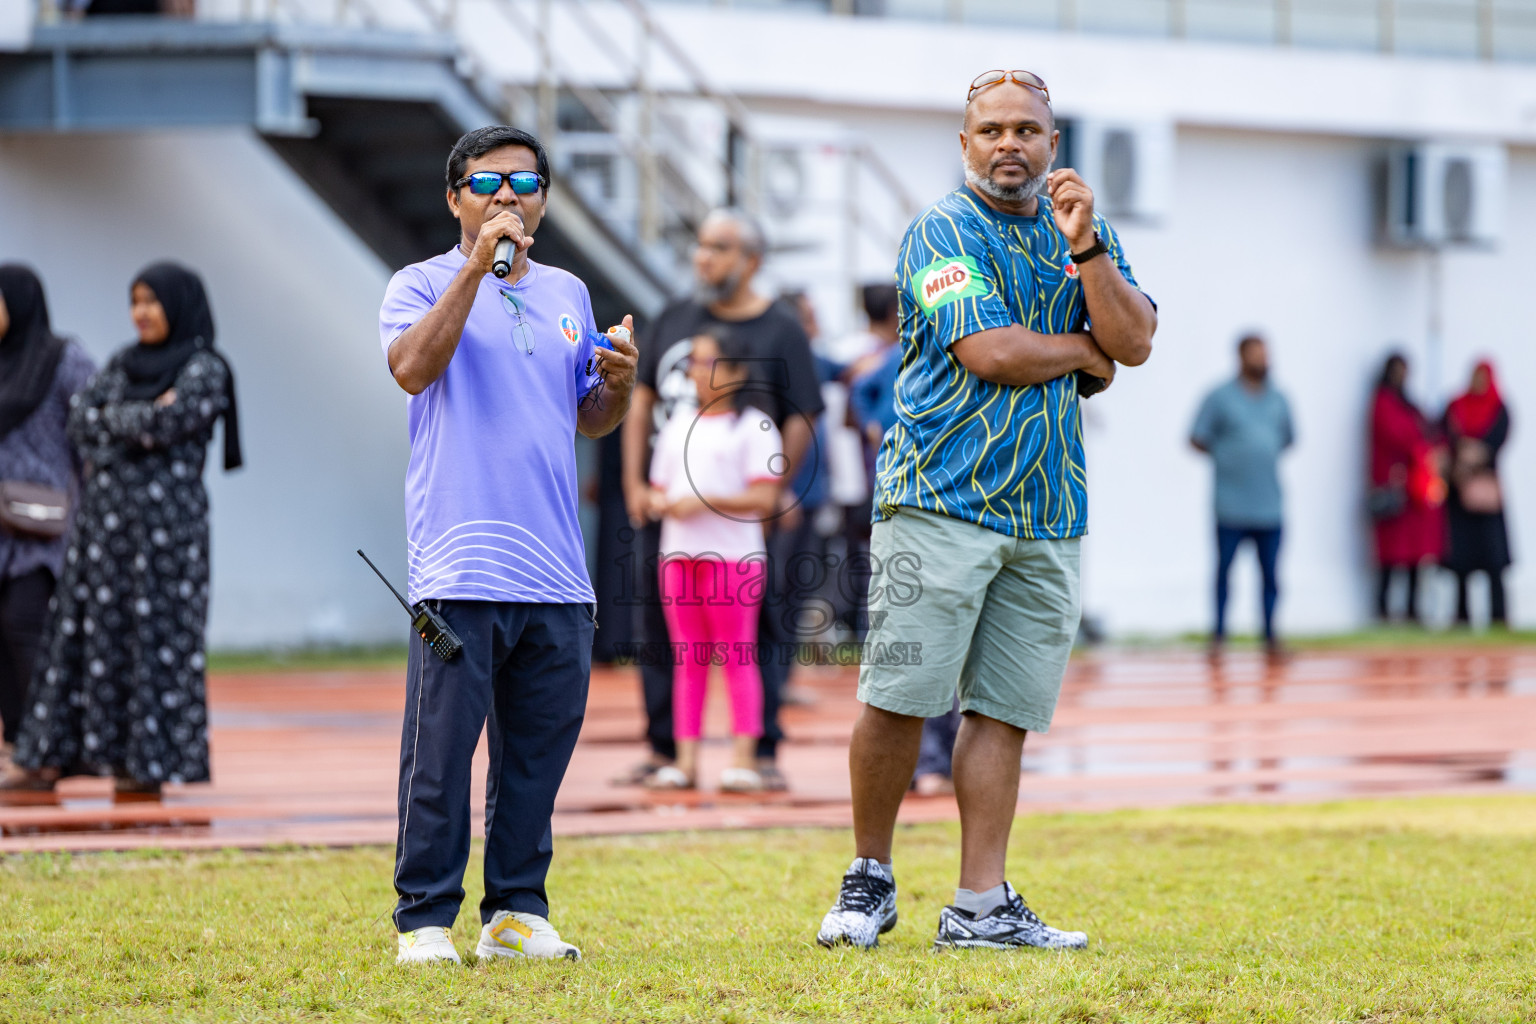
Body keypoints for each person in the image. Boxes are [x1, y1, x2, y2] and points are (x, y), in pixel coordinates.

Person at [816, 68, 1155, 951]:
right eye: (992, 130)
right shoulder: (939, 229)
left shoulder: (1086, 233)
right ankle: (869, 878)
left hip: (1047, 510)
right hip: (938, 500)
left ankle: (980, 905)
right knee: (898, 697)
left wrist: (1088, 256)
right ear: (965, 144)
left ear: (1053, 144)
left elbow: (1139, 342)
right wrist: (1085, 349)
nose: (1011, 144)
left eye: (1027, 131)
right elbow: (992, 350)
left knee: (1003, 709)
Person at [379, 125, 638, 966]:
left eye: (525, 185)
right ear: (455, 196)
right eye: (488, 184)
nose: (508, 199)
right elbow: (413, 370)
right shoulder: (418, 284)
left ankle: (516, 914)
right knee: (442, 755)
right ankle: (424, 919)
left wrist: (619, 386)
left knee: (535, 756)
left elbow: (586, 418)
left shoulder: (569, 291)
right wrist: (474, 270)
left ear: (544, 200)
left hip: (557, 572)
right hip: (459, 566)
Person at [5, 262, 241, 803]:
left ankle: (145, 766)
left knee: (156, 642)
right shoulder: (122, 362)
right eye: (135, 301)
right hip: (102, 535)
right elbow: (81, 420)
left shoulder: (207, 368)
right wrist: (139, 418)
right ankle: (58, 758)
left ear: (179, 305)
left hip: (167, 540)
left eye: (153, 301)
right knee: (87, 640)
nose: (142, 313)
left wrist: (121, 418)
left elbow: (169, 423)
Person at [619, 208, 824, 792]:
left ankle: (757, 750)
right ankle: (668, 751)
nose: (703, 257)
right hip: (672, 509)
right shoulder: (673, 316)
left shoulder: (781, 328)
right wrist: (636, 483)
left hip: (740, 523)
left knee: (755, 637)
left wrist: (774, 486)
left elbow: (803, 412)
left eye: (719, 247)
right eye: (701, 245)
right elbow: (642, 399)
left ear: (751, 260)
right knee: (662, 636)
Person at [644, 328, 783, 791]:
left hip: (733, 558)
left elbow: (765, 496)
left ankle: (744, 757)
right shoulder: (678, 425)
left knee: (738, 655)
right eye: (694, 364)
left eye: (707, 364)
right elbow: (658, 488)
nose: (697, 374)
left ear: (737, 372)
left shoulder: (754, 426)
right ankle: (685, 762)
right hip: (679, 555)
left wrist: (699, 503)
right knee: (689, 658)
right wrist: (657, 502)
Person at [0, 266, 96, 773]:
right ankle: (17, 744)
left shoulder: (63, 358)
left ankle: (46, 751)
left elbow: (94, 422)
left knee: (26, 627)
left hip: (44, 529)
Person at [1190, 334, 1295, 658]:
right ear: (1240, 357)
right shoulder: (1220, 397)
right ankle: (1219, 635)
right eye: (1255, 354)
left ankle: (1270, 635)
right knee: (1224, 572)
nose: (1262, 360)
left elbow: (1288, 438)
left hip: (1269, 504)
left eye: (1265, 354)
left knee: (1271, 575)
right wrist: (1227, 455)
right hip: (1231, 503)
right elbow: (1197, 437)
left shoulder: (1279, 398)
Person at [1369, 353, 1444, 624]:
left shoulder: (1409, 404)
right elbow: (1400, 434)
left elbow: (1427, 431)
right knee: (1389, 556)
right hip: (1393, 487)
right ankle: (1382, 609)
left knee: (1415, 555)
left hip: (1415, 491)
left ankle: (1413, 609)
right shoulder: (1383, 402)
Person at [1442, 360, 1511, 627]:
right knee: (1460, 557)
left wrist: (1478, 451)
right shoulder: (1456, 405)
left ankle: (1498, 615)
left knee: (1493, 557)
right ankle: (1461, 616)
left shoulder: (1498, 407)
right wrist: (1462, 453)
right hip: (1460, 489)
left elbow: (1498, 438)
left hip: (1487, 490)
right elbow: (1447, 433)